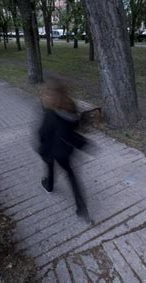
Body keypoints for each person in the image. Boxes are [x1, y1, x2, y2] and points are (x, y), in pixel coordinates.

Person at [37, 78, 90, 220]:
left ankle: (49, 185)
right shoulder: (71, 107)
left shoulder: (49, 113)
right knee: (72, 176)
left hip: (51, 148)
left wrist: (41, 147)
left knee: (49, 165)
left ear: (50, 93)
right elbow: (75, 128)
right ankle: (82, 207)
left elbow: (42, 133)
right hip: (65, 150)